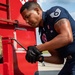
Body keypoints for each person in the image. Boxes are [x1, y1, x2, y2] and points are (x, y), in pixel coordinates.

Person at [20, 1, 75, 75]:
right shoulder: (43, 35)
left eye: (28, 16)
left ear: (37, 11)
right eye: (24, 19)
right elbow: (59, 59)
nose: (26, 21)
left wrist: (37, 48)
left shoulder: (53, 14)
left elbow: (67, 37)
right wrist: (39, 58)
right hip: (69, 62)